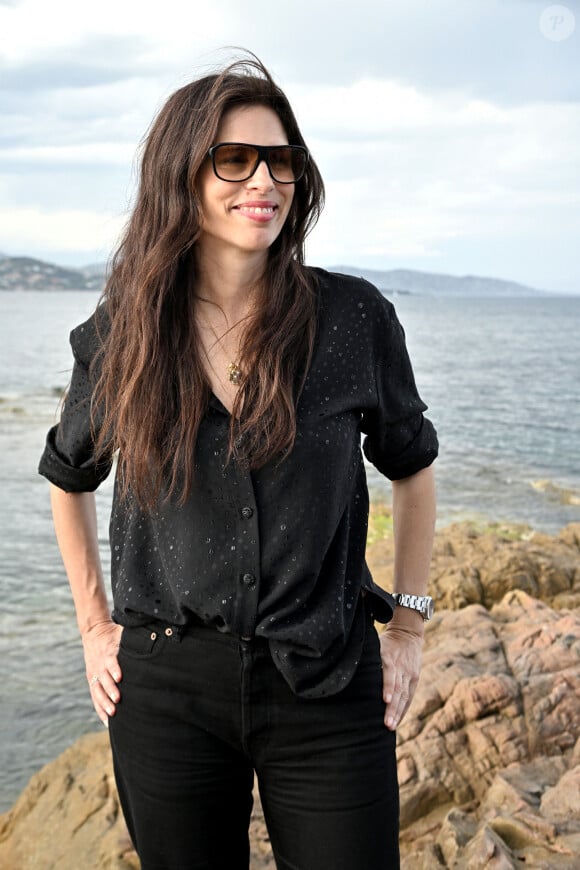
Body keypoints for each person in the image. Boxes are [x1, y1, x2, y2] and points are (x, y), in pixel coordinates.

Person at [39, 53, 438, 870]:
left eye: (281, 159)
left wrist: (409, 625)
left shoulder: (353, 317)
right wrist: (91, 625)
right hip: (166, 688)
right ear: (182, 175)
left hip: (327, 680)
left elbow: (413, 465)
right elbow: (68, 477)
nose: (265, 178)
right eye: (236, 158)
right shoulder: (125, 331)